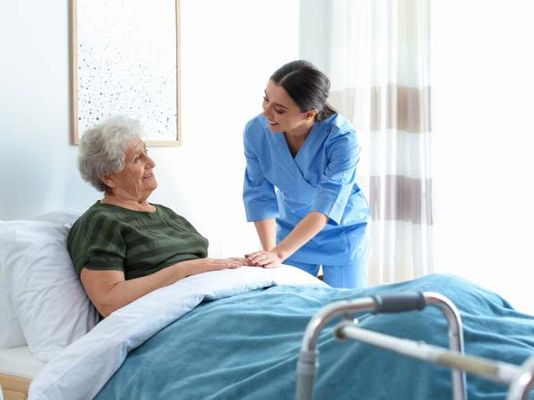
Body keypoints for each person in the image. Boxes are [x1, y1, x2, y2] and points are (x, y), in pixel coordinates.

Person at [67, 116, 250, 317]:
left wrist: (234, 266)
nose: (151, 162)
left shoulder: (168, 215)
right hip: (178, 319)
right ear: (108, 177)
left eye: (146, 152)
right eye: (137, 158)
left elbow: (199, 266)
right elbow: (109, 301)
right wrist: (184, 270)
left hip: (215, 302)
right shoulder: (100, 222)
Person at [242, 60, 370, 288]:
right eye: (266, 99)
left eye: (279, 109)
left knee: (345, 308)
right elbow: (259, 195)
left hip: (342, 232)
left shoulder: (342, 138)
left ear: (308, 114)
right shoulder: (255, 131)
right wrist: (270, 253)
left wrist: (279, 254)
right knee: (288, 303)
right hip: (292, 228)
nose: (266, 112)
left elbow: (326, 205)